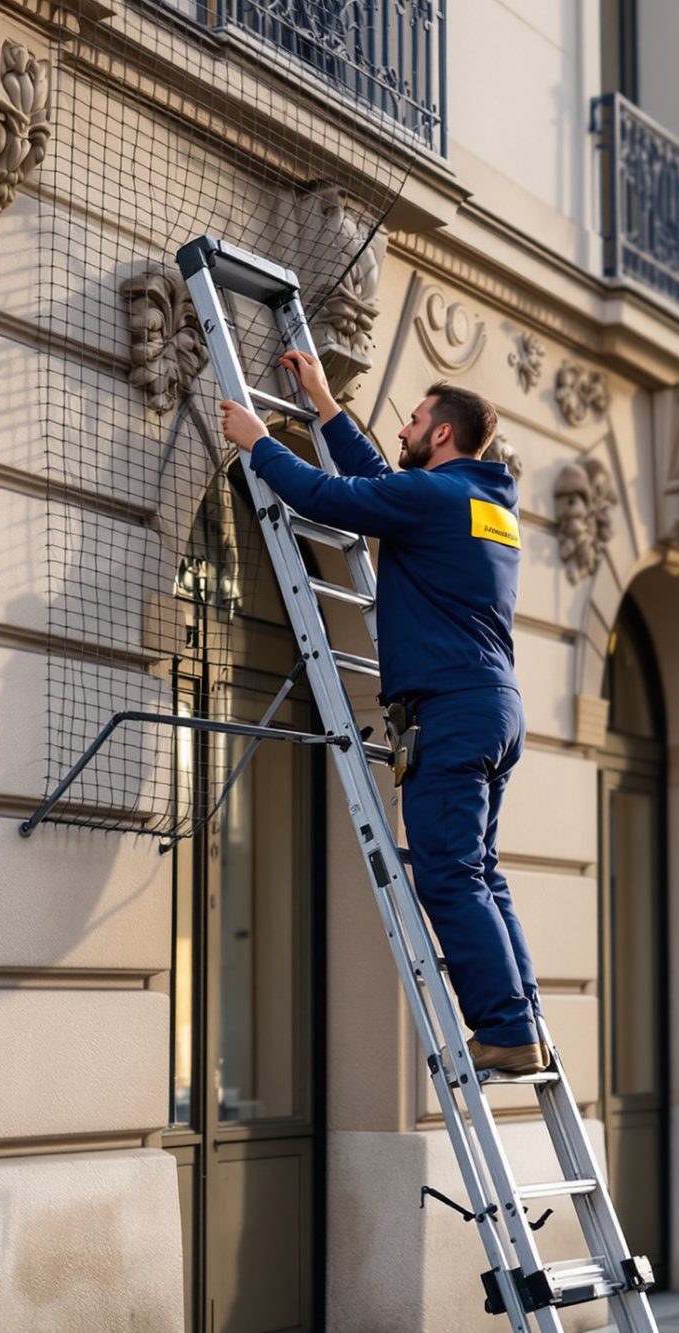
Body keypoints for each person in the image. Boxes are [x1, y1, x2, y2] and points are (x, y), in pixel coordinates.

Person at [219, 353, 544, 1076]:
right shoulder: (486, 504)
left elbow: (336, 500)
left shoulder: (434, 499)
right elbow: (391, 487)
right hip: (493, 706)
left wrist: (258, 442)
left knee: (448, 874)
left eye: (415, 420)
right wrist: (326, 406)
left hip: (453, 709)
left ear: (443, 435)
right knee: (481, 871)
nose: (402, 426)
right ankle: (522, 1018)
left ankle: (504, 1029)